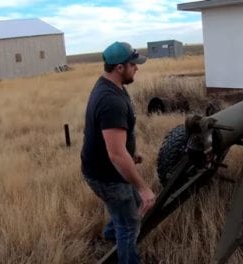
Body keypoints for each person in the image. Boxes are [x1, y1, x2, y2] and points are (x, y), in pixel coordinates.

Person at [81, 41, 155, 264]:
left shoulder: (110, 85)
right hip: (107, 176)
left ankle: (110, 234)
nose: (137, 68)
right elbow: (115, 154)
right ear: (119, 68)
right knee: (130, 224)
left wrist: (130, 153)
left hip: (106, 169)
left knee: (127, 208)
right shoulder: (111, 100)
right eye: (133, 64)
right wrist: (144, 188)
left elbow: (114, 143)